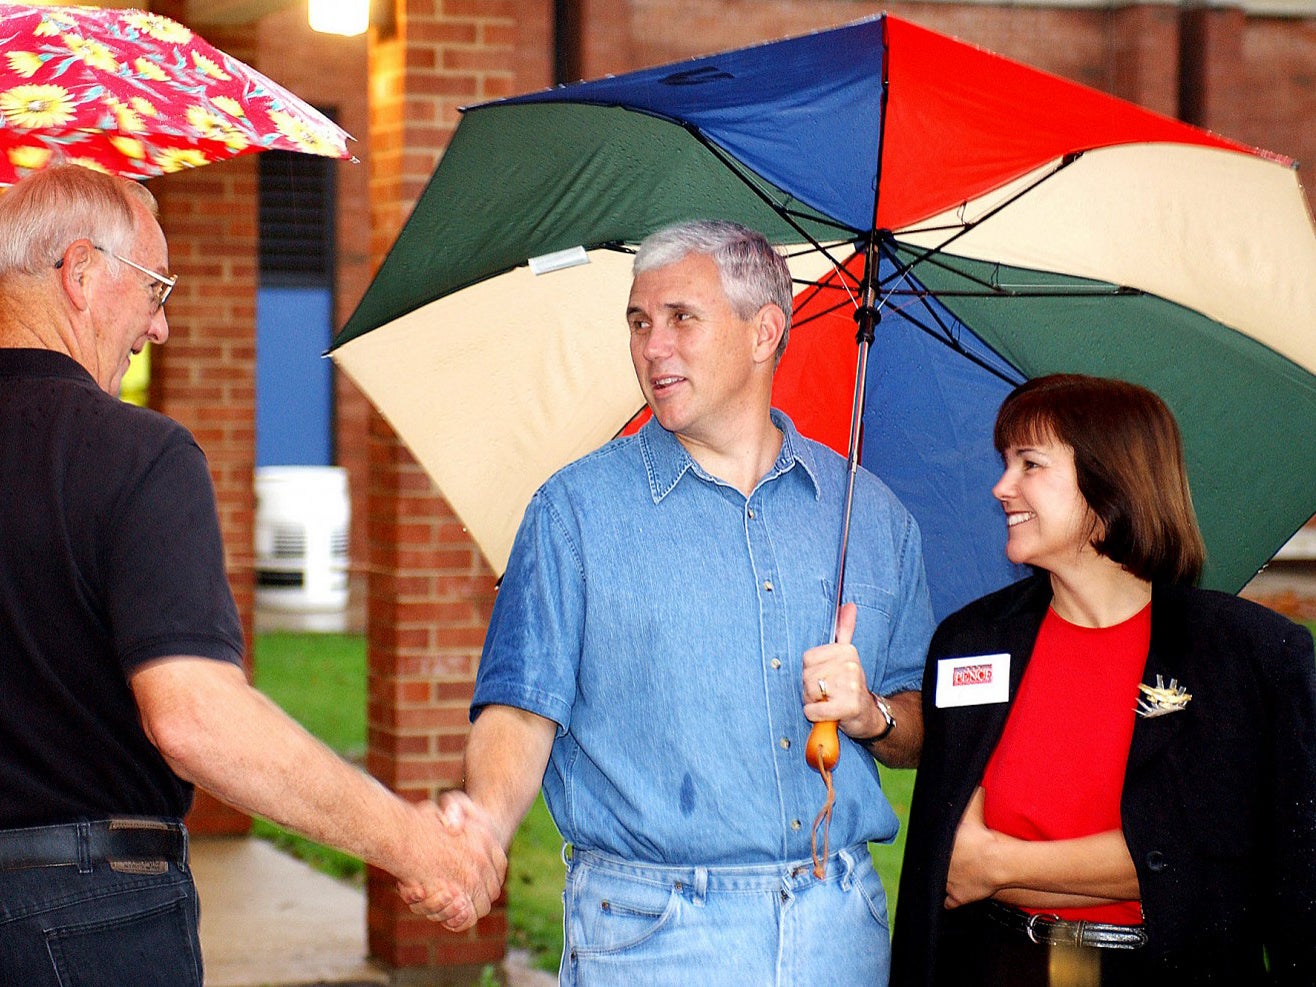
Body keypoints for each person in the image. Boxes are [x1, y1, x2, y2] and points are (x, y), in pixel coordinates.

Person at [0, 165, 504, 986]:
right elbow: (196, 719)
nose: (160, 326)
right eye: (156, 286)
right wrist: (416, 842)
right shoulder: (139, 455)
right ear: (81, 274)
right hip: (87, 919)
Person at [464, 219, 935, 985]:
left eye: (682, 318)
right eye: (640, 322)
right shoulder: (574, 512)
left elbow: (922, 725)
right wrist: (482, 822)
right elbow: (521, 707)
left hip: (840, 928)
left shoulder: (872, 517)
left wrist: (870, 713)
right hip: (656, 934)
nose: (653, 347)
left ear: (764, 333)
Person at [890, 373, 1316, 986]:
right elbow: (950, 860)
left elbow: (1225, 853)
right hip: (999, 966)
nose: (1001, 487)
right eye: (1005, 463)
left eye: (1029, 464)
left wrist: (1000, 862)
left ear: (1108, 480)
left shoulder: (1243, 653)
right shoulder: (972, 643)